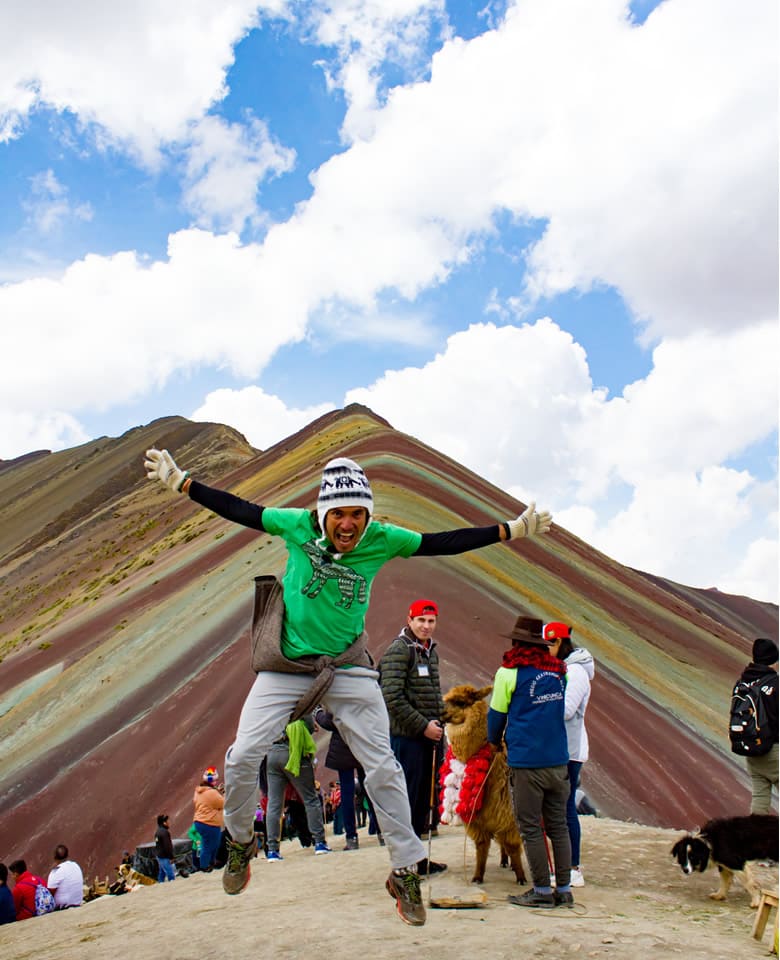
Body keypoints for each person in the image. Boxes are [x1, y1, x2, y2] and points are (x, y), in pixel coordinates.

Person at [144, 448, 552, 926]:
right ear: (322, 512)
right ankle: (240, 843)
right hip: (288, 664)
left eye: (357, 513)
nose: (348, 523)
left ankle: (404, 869)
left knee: (383, 765)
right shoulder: (297, 526)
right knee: (242, 755)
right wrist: (183, 483)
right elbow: (241, 510)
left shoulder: (382, 539)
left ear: (368, 514)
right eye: (339, 513)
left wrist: (511, 529)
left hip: (348, 665)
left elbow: (445, 542)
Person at [487, 615, 574, 909]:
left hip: (527, 762)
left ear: (515, 642)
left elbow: (496, 715)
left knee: (530, 827)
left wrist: (494, 740)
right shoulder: (559, 672)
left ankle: (541, 890)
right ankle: (564, 888)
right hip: (558, 759)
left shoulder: (508, 673)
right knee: (558, 825)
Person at [379, 598, 447, 875]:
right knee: (405, 799)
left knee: (422, 801)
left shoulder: (430, 651)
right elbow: (391, 697)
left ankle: (419, 860)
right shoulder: (399, 650)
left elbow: (432, 691)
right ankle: (404, 863)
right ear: (410, 620)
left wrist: (440, 719)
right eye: (421, 620)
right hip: (407, 738)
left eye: (431, 621)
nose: (426, 626)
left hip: (428, 737)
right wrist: (423, 726)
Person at [545, 621, 594, 888]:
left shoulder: (575, 673)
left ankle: (573, 867)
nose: (548, 650)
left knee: (565, 810)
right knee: (558, 809)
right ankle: (564, 864)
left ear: (562, 643)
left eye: (551, 644)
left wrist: (540, 703)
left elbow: (566, 709)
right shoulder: (564, 670)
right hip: (559, 747)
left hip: (569, 750)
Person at [264, 717, 330, 861]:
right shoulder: (296, 701)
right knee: (310, 798)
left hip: (272, 752)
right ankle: (319, 842)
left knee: (274, 803)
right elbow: (310, 726)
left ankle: (272, 849)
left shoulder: (272, 704)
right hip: (293, 749)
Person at [314, 705, 372, 850]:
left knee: (347, 794)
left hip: (343, 747)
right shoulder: (358, 696)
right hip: (362, 743)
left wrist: (318, 713)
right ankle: (381, 832)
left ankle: (352, 837)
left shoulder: (339, 699)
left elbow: (329, 722)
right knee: (370, 789)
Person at [734, 637, 779, 813]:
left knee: (760, 798)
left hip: (752, 750)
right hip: (775, 751)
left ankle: (756, 839)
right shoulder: (775, 684)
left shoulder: (742, 684)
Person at [193, 766, 225, 872]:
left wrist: (217, 791)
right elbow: (223, 803)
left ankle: (209, 863)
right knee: (210, 845)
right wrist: (223, 794)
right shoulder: (212, 793)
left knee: (209, 843)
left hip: (199, 821)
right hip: (210, 822)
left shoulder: (199, 791)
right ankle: (205, 865)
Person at [47, 844, 84, 908]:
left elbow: (50, 893)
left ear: (54, 857)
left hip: (64, 907)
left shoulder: (56, 871)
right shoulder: (76, 865)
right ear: (67, 855)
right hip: (78, 902)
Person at [154, 814, 176, 882]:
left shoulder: (157, 832)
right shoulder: (164, 832)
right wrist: (171, 857)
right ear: (164, 822)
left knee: (162, 872)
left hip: (159, 855)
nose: (168, 822)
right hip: (164, 856)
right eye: (167, 821)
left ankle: (160, 883)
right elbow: (167, 846)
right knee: (170, 873)